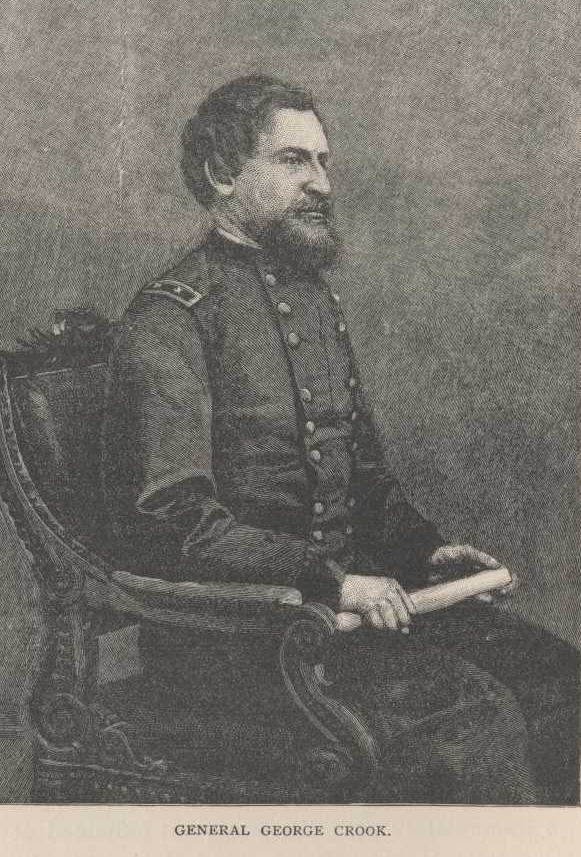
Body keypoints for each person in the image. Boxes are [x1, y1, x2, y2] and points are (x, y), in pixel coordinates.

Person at [102, 74, 578, 804]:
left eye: (323, 162)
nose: (321, 184)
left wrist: (425, 551)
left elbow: (363, 477)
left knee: (557, 679)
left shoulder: (316, 301)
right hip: (237, 641)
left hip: (345, 618)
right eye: (294, 160)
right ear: (222, 173)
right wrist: (331, 581)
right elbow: (178, 524)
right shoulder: (171, 318)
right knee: (472, 723)